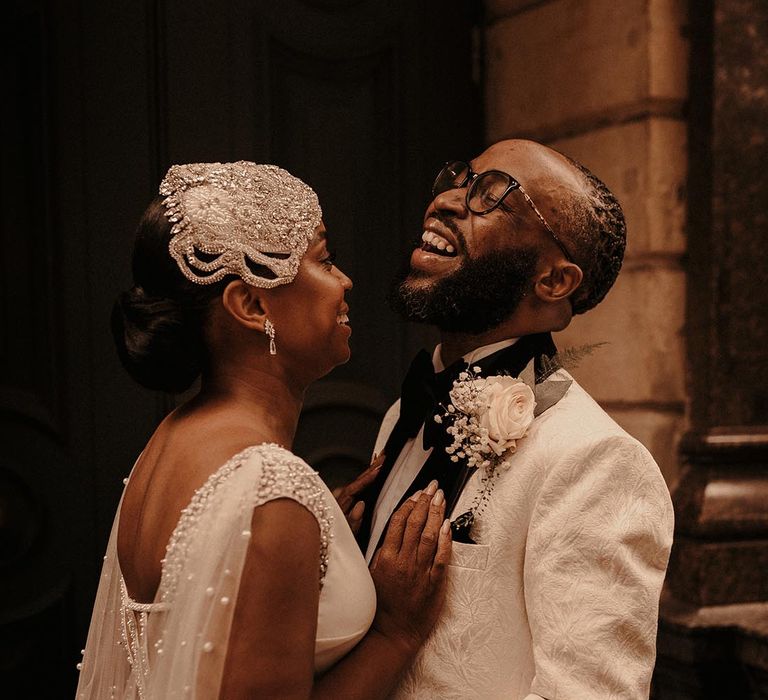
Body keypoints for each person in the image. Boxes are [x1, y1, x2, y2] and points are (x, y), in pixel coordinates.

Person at [75, 162, 452, 699]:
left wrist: (319, 551)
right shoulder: (269, 492)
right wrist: (397, 632)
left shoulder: (172, 439)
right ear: (252, 306)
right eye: (324, 260)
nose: (345, 282)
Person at [354, 140, 675, 699]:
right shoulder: (400, 418)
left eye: (493, 194)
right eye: (461, 177)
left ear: (554, 282)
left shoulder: (594, 460)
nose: (449, 201)